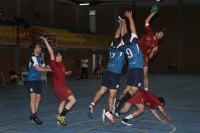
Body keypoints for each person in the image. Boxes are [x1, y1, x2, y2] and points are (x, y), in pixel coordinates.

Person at [87, 18, 125, 124]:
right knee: (112, 94)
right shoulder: (121, 50)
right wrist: (123, 24)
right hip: (114, 74)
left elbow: (116, 36)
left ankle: (92, 104)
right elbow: (122, 35)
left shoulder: (111, 47)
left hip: (107, 72)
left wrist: (120, 25)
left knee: (102, 90)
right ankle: (109, 113)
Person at [114, 11, 144, 117]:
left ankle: (117, 105)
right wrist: (130, 17)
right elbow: (133, 29)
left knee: (127, 88)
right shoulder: (134, 42)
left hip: (131, 70)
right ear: (130, 37)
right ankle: (118, 102)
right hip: (137, 70)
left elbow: (124, 34)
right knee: (133, 90)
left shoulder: (124, 45)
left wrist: (123, 23)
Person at [40, 36, 76, 126]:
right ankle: (61, 116)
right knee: (73, 100)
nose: (61, 56)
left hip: (58, 86)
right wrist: (46, 41)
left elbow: (59, 73)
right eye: (60, 55)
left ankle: (59, 120)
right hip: (59, 86)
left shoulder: (61, 65)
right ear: (56, 57)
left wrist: (65, 73)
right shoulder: (54, 63)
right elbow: (50, 52)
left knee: (62, 102)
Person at [137, 10, 164, 91]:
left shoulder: (156, 45)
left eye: (162, 35)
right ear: (156, 33)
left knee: (145, 75)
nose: (161, 35)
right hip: (137, 51)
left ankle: (146, 91)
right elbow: (146, 21)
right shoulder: (150, 33)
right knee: (136, 73)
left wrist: (152, 51)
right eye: (160, 33)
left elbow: (151, 56)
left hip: (144, 56)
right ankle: (133, 89)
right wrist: (152, 14)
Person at [26, 43, 51, 125]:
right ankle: (34, 116)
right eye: (38, 47)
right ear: (34, 49)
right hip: (31, 80)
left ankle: (33, 116)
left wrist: (50, 67)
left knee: (39, 98)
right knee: (33, 97)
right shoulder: (33, 57)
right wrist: (49, 70)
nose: (40, 48)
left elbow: (44, 67)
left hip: (37, 80)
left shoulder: (39, 58)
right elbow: (38, 68)